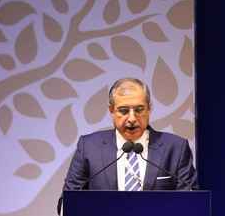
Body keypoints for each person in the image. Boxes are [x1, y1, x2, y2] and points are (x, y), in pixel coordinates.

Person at [61, 78, 197, 202]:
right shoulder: (89, 147)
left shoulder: (176, 148)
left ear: (149, 109)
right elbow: (68, 201)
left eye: (139, 110)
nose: (132, 118)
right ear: (111, 110)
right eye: (124, 111)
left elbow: (190, 201)